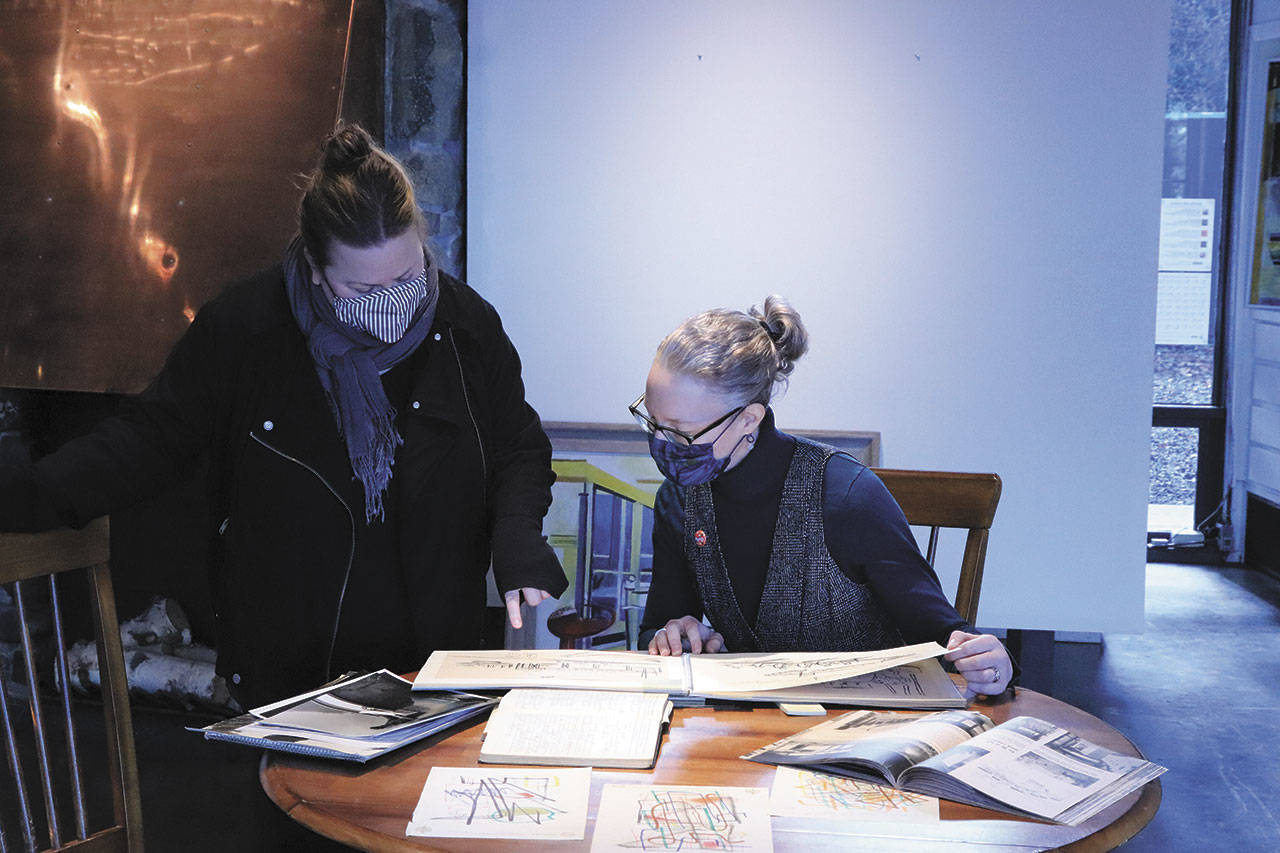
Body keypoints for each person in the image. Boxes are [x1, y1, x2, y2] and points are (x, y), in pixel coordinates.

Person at [0, 123, 567, 710]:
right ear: (316, 269)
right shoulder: (246, 330)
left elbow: (517, 447)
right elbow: (149, 438)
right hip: (291, 669)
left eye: (406, 277)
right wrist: (27, 497)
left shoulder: (465, 327)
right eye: (361, 287)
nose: (392, 301)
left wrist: (517, 539)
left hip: (434, 659)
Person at [633, 295, 1013, 699]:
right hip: (748, 727)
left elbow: (940, 637)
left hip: (867, 723)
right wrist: (676, 635)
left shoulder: (846, 495)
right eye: (652, 421)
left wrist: (991, 663)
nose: (661, 441)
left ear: (749, 419)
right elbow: (656, 626)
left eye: (680, 430)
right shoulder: (679, 498)